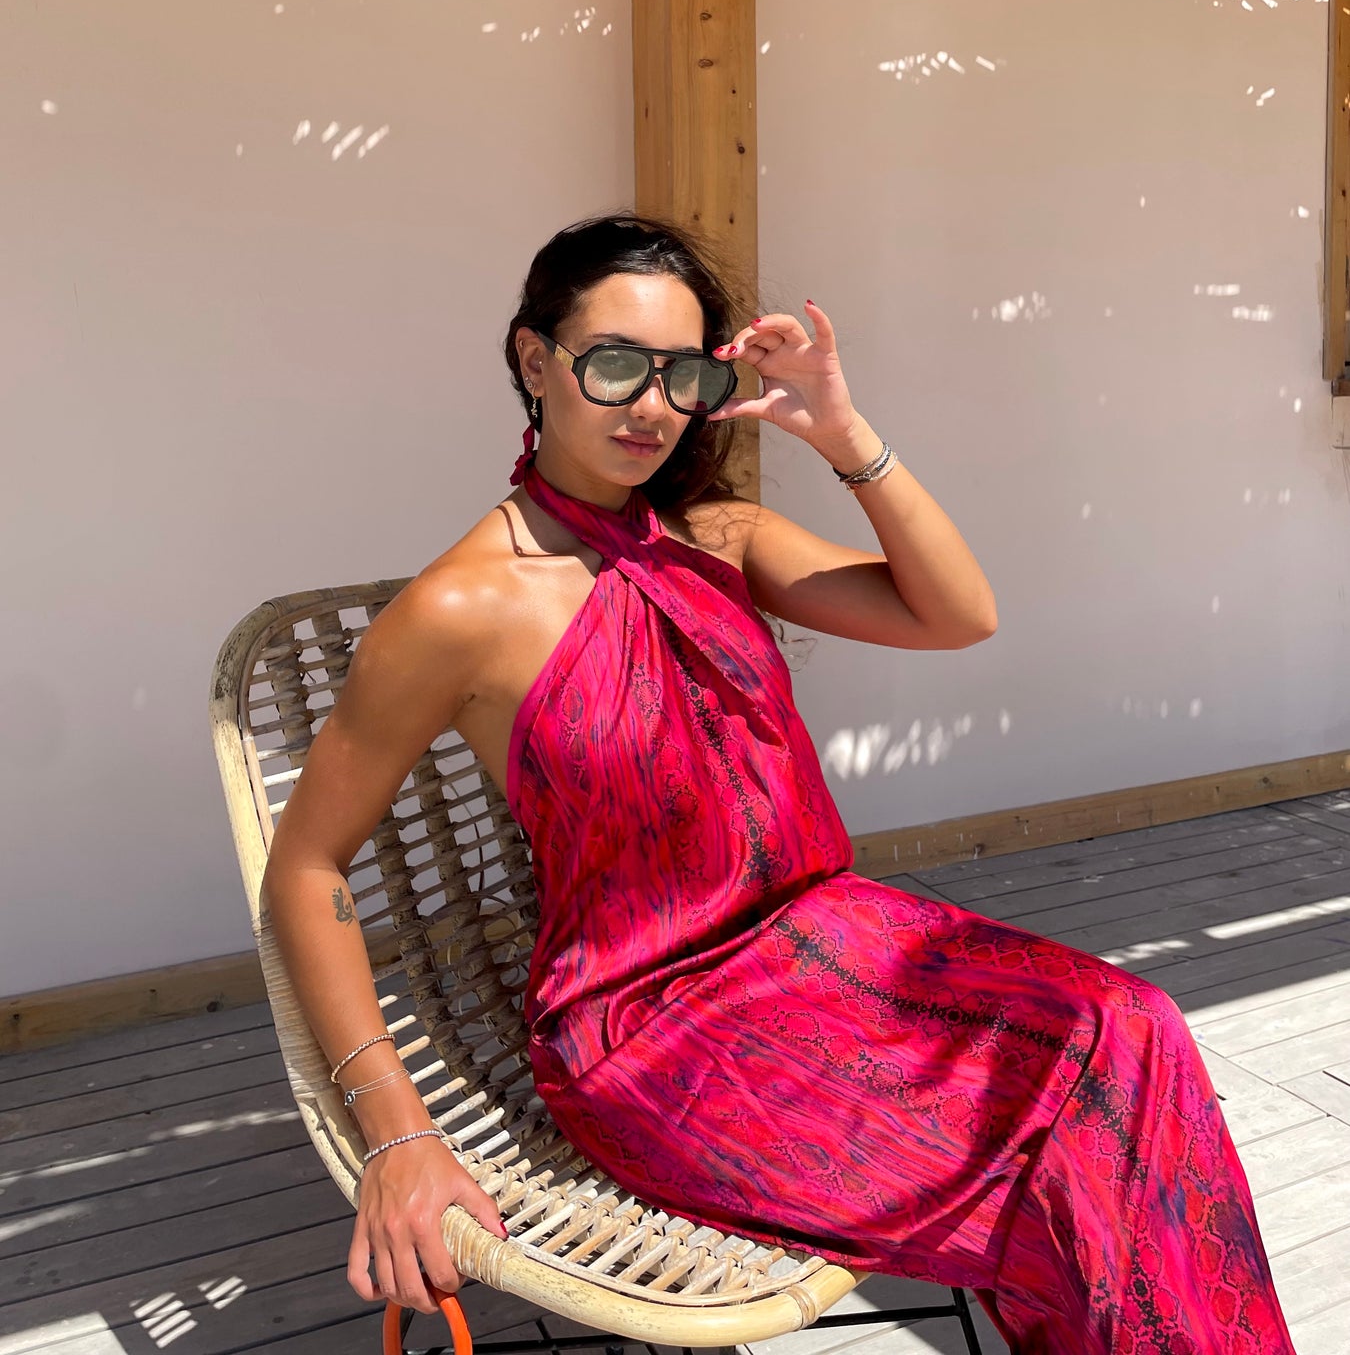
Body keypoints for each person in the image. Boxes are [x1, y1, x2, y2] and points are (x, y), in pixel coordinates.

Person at [262, 212, 1295, 1355]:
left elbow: (958, 614)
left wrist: (844, 432)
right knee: (1074, 1136)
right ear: (534, 361)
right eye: (615, 364)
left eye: (685, 375)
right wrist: (398, 1133)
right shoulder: (461, 609)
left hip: (829, 949)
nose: (652, 407)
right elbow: (305, 868)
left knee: (1130, 1028)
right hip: (659, 1031)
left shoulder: (716, 536)